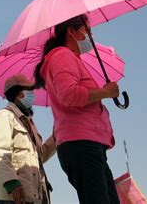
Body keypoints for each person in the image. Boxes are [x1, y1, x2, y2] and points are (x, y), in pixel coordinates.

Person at [33, 14, 120, 204]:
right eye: (87, 30)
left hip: (88, 145)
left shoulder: (69, 58)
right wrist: (104, 92)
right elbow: (69, 94)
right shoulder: (62, 56)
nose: (90, 35)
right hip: (82, 144)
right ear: (72, 32)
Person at [0, 74, 56, 204]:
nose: (33, 94)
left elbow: (39, 157)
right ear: (20, 95)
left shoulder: (28, 122)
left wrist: (56, 136)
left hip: (35, 195)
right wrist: (11, 182)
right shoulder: (4, 116)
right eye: (29, 90)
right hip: (15, 195)